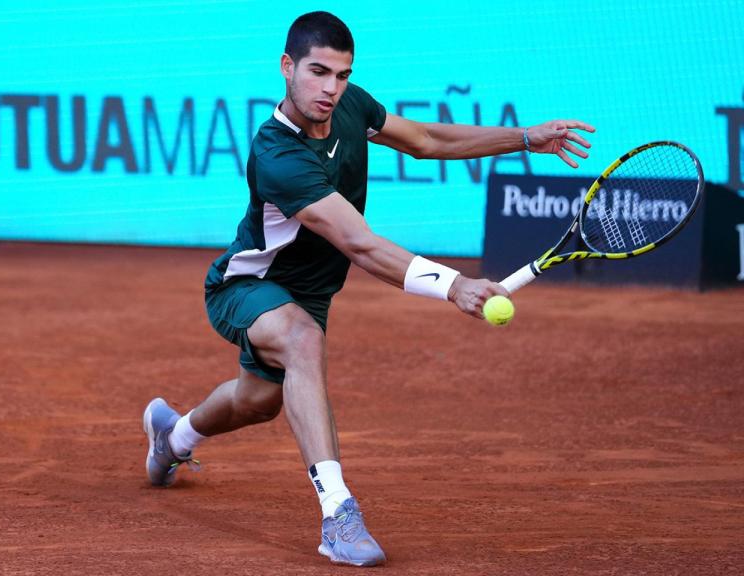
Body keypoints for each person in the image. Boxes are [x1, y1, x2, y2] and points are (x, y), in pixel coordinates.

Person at [143, 11, 594, 567]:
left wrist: (524, 138)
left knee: (256, 402)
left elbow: (426, 139)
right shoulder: (277, 154)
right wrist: (453, 286)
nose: (331, 88)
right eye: (317, 72)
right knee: (302, 340)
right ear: (287, 68)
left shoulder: (351, 104)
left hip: (308, 293)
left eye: (342, 74)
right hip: (248, 285)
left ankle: (174, 435)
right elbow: (357, 243)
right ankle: (338, 515)